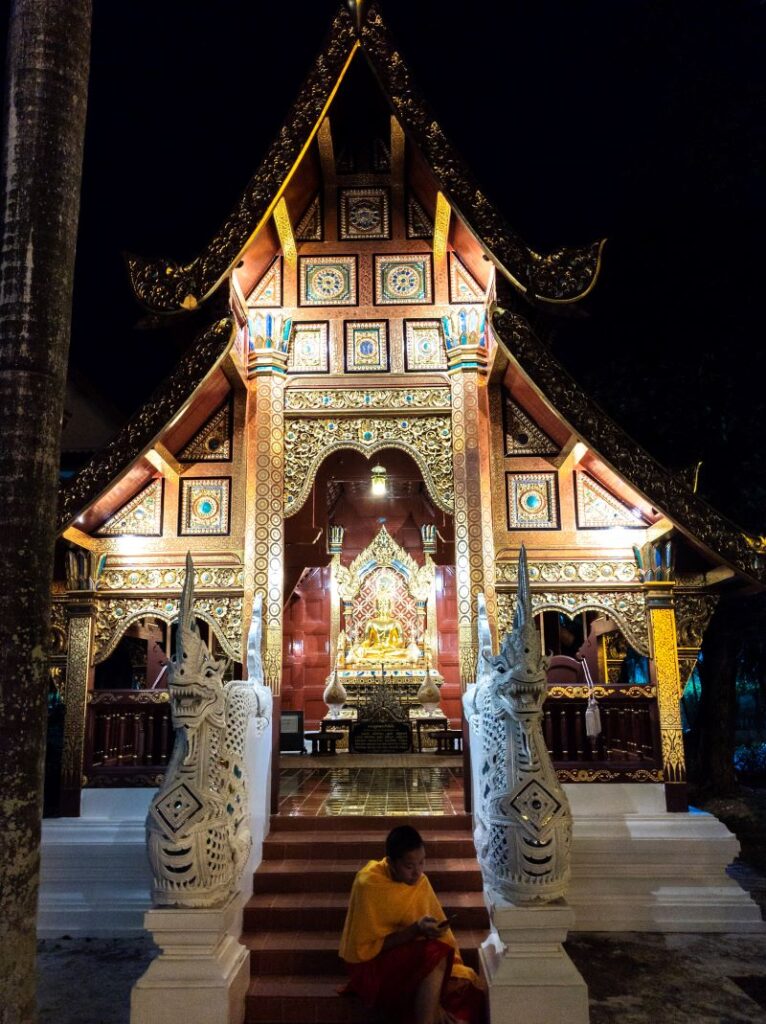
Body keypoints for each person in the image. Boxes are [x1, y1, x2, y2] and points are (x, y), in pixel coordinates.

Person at [339, 825, 485, 1024]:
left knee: (465, 988)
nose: (417, 872)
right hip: (371, 967)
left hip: (407, 958)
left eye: (422, 862)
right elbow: (366, 949)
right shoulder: (369, 884)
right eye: (409, 866)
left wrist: (430, 930)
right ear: (391, 863)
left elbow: (440, 935)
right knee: (436, 955)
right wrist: (415, 930)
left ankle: (432, 1012)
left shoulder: (420, 882)